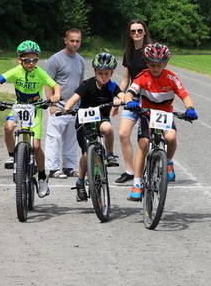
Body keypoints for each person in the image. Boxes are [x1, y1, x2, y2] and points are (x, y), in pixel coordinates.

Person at [123, 43, 197, 201]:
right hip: (147, 114)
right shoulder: (142, 76)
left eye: (159, 65)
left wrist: (190, 108)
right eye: (152, 65)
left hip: (165, 114)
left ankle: (168, 162)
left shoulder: (171, 78)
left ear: (165, 64)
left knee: (171, 137)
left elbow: (184, 95)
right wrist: (129, 101)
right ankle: (137, 183)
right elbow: (130, 92)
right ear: (147, 63)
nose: (155, 68)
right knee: (143, 144)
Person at [0, 41, 61, 197]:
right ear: (19, 60)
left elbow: (55, 85)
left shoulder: (40, 73)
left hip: (35, 109)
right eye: (27, 60)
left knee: (36, 146)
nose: (31, 63)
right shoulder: (16, 71)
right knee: (8, 128)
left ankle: (42, 177)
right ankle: (12, 156)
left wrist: (56, 95)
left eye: (35, 60)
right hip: (18, 107)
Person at [60, 52, 126, 202]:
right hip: (84, 122)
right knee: (85, 155)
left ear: (111, 73)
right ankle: (80, 181)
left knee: (108, 128)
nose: (103, 76)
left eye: (106, 73)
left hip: (101, 118)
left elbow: (123, 96)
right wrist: (66, 108)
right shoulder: (87, 85)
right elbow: (74, 98)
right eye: (100, 73)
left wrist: (121, 100)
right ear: (95, 72)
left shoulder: (112, 86)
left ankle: (110, 154)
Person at [44, 29, 86, 179]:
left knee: (71, 139)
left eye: (77, 41)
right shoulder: (55, 60)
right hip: (58, 106)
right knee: (54, 138)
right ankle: (53, 168)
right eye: (72, 41)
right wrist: (51, 103)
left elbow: (81, 83)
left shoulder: (80, 60)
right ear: (66, 41)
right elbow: (47, 83)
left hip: (74, 107)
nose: (75, 44)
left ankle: (69, 167)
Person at [116, 19, 153, 184]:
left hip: (150, 98)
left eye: (139, 30)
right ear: (129, 34)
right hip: (133, 98)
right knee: (123, 134)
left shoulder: (151, 51)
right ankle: (130, 171)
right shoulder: (128, 53)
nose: (136, 33)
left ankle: (158, 163)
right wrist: (118, 95)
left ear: (144, 32)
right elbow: (125, 79)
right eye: (133, 31)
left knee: (146, 139)